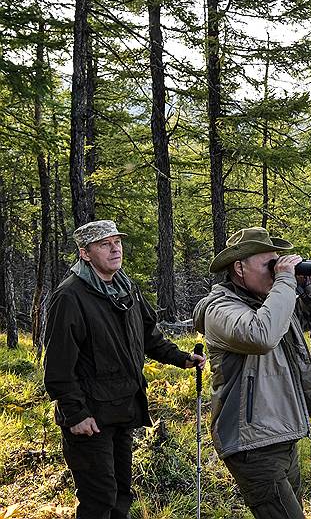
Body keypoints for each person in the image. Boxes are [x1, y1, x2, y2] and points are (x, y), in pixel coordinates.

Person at [43, 220, 205, 519]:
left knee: (121, 493)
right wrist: (76, 413)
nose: (115, 248)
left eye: (117, 241)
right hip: (90, 418)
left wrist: (180, 358)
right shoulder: (70, 297)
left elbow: (148, 335)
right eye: (104, 244)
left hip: (123, 408)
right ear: (85, 253)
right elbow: (57, 366)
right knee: (99, 499)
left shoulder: (125, 287)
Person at [193, 226, 311, 519]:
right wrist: (284, 282)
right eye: (268, 264)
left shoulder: (269, 302)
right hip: (252, 443)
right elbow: (261, 336)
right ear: (239, 268)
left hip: (282, 434)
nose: (275, 270)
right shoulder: (221, 309)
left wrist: (308, 287)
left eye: (277, 262)